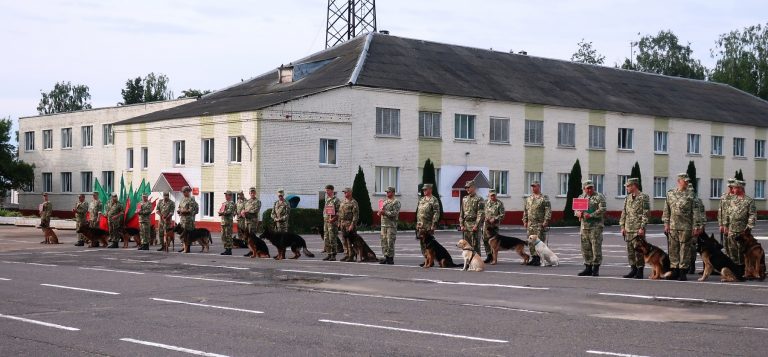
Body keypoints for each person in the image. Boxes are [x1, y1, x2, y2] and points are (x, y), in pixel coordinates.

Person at [662, 173, 703, 281]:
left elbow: (696, 211)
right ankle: (674, 271)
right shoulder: (670, 194)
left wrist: (696, 226)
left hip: (686, 226)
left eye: (688, 181)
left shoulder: (691, 195)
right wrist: (666, 224)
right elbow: (667, 210)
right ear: (679, 181)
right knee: (673, 249)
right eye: (685, 180)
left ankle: (682, 272)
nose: (687, 182)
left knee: (685, 250)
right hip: (673, 226)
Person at [724, 180, 756, 278]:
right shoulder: (732, 200)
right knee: (732, 251)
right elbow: (727, 213)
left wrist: (748, 228)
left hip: (743, 232)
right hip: (731, 230)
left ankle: (743, 271)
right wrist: (726, 225)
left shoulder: (749, 201)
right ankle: (735, 271)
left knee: (742, 252)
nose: (732, 189)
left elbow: (752, 215)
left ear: (740, 188)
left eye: (734, 187)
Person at [618, 178, 649, 279]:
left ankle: (640, 270)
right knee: (630, 251)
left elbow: (646, 213)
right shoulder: (628, 198)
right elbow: (624, 213)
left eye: (628, 186)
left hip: (637, 230)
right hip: (628, 229)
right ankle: (633, 269)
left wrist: (642, 227)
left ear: (634, 186)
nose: (626, 188)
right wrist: (622, 226)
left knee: (639, 251)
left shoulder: (643, 197)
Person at [576, 180, 606, 277]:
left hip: (595, 227)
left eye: (591, 187)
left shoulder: (599, 196)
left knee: (596, 248)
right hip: (584, 227)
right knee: (585, 248)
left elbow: (603, 209)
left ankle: (595, 268)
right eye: (587, 188)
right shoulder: (581, 197)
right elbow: (576, 210)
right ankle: (588, 267)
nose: (589, 190)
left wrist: (592, 215)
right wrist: (578, 213)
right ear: (584, 189)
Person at [522, 180, 551, 266]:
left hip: (539, 224)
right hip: (530, 224)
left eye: (535, 186)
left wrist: (546, 221)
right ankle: (534, 258)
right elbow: (525, 210)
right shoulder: (529, 198)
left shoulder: (544, 198)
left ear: (539, 187)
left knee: (539, 242)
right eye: (532, 186)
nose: (533, 188)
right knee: (530, 242)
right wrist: (525, 220)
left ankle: (539, 258)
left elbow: (548, 210)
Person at [416, 183, 440, 260]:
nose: (424, 191)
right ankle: (426, 259)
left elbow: (436, 212)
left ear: (430, 189)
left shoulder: (434, 199)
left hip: (428, 225)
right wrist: (417, 224)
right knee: (422, 243)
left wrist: (433, 224)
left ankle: (430, 260)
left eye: (426, 189)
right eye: (423, 190)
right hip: (420, 225)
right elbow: (418, 212)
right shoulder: (422, 199)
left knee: (429, 243)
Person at [459, 180, 484, 254]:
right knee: (466, 245)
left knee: (475, 245)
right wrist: (461, 225)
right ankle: (468, 263)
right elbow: (462, 213)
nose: (467, 189)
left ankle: (477, 263)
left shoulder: (479, 199)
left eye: (468, 187)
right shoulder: (464, 199)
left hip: (474, 225)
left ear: (473, 187)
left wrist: (476, 225)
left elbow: (480, 213)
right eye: (466, 188)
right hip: (466, 225)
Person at [377, 186, 400, 265]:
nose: (387, 193)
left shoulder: (396, 202)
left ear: (393, 193)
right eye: (386, 192)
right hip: (384, 225)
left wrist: (385, 212)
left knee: (390, 242)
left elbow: (394, 213)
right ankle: (386, 257)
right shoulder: (385, 202)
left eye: (388, 192)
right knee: (384, 242)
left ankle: (390, 258)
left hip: (391, 225)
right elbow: (381, 211)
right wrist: (380, 212)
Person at [482, 189, 505, 263]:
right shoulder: (486, 202)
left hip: (494, 226)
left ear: (496, 195)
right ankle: (489, 255)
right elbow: (482, 212)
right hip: (486, 225)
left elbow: (502, 215)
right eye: (491, 195)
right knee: (485, 240)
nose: (492, 197)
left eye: (494, 195)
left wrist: (495, 218)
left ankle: (494, 257)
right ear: (489, 195)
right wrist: (484, 217)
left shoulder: (499, 203)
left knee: (494, 242)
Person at [338, 187, 360, 262]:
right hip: (342, 223)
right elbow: (340, 213)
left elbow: (355, 215)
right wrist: (339, 222)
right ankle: (346, 254)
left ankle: (351, 255)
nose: (345, 193)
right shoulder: (343, 201)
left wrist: (352, 225)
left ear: (350, 193)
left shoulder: (353, 202)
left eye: (346, 192)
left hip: (349, 223)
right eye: (344, 192)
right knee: (344, 240)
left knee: (350, 240)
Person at [176, 186, 199, 252]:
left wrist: (183, 211)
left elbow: (191, 210)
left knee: (187, 234)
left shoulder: (191, 199)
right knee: (182, 234)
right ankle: (184, 247)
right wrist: (179, 210)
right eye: (182, 192)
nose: (183, 193)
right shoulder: (182, 199)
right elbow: (180, 207)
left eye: (184, 192)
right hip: (182, 219)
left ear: (188, 191)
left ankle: (187, 248)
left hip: (188, 220)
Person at [241, 187, 261, 257]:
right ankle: (251, 250)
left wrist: (246, 211)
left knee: (252, 237)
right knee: (247, 237)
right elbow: (243, 209)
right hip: (247, 221)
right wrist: (242, 212)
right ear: (249, 193)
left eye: (253, 192)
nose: (252, 194)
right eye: (251, 192)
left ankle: (255, 251)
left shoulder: (257, 201)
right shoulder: (247, 201)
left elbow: (256, 210)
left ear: (255, 193)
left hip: (253, 222)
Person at [322, 184, 341, 261]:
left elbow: (339, 212)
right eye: (326, 190)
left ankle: (333, 255)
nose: (327, 192)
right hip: (326, 222)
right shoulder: (327, 199)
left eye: (328, 190)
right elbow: (326, 210)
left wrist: (334, 219)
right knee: (326, 238)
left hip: (332, 223)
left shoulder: (336, 200)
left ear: (332, 190)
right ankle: (329, 254)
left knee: (332, 238)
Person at [219, 191, 237, 255]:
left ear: (230, 196)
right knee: (223, 236)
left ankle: (229, 249)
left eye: (227, 195)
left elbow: (229, 211)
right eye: (226, 195)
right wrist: (220, 212)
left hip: (228, 222)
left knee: (228, 236)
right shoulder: (224, 203)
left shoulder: (232, 203)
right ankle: (226, 248)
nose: (226, 196)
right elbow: (221, 210)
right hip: (223, 222)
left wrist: (222, 213)